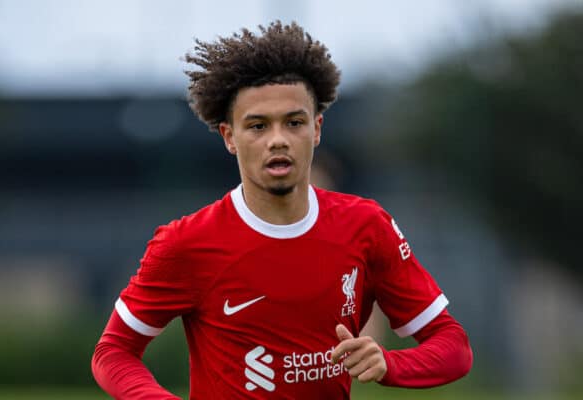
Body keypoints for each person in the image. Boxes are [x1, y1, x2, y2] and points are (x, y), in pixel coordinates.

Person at [92, 21, 473, 399]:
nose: (278, 140)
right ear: (229, 137)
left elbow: (453, 347)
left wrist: (391, 364)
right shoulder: (186, 242)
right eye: (258, 126)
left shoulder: (367, 225)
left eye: (294, 122)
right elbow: (113, 352)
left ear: (317, 129)